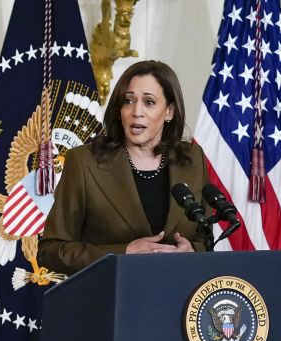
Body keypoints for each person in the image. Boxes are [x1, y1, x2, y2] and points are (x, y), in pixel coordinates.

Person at [39, 60, 211, 274]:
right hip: (110, 300)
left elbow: (205, 237)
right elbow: (52, 250)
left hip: (176, 298)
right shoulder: (84, 162)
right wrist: (124, 253)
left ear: (169, 112)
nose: (136, 111)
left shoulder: (193, 159)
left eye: (149, 102)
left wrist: (192, 251)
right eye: (128, 101)